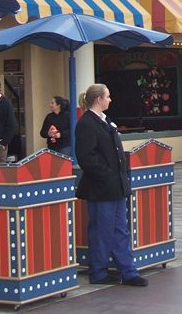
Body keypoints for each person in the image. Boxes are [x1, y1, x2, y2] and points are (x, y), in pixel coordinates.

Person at [75, 84, 148, 287]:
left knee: (120, 229)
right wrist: (107, 175)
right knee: (101, 230)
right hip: (100, 188)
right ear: (98, 99)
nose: (110, 99)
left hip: (115, 186)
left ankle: (128, 271)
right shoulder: (86, 124)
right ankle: (97, 272)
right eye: (108, 96)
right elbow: (86, 157)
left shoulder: (105, 121)